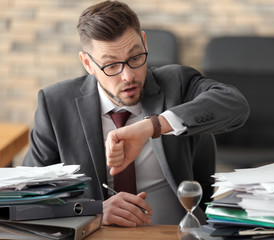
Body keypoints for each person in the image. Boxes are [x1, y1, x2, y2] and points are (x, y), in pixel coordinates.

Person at [23, 0, 249, 228]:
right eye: (111, 65)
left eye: (135, 57)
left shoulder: (177, 84)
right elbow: (26, 198)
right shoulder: (55, 104)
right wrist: (93, 211)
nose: (128, 76)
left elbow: (235, 104)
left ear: (144, 42)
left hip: (177, 233)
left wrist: (154, 126)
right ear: (87, 64)